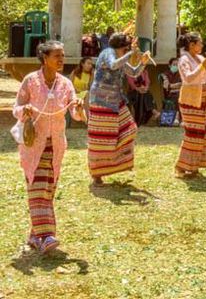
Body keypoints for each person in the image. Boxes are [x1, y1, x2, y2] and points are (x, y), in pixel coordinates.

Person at [12, 41, 85, 253]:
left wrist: (79, 107)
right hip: (34, 146)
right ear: (45, 58)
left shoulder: (66, 84)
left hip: (57, 146)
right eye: (57, 56)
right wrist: (24, 110)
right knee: (37, 190)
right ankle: (46, 236)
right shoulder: (30, 81)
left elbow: (76, 115)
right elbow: (16, 107)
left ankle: (35, 236)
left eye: (62, 55)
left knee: (48, 190)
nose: (62, 60)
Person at [87, 33, 150, 186]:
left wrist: (143, 63)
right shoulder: (107, 53)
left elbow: (133, 73)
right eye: (127, 47)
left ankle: (119, 162)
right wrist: (130, 54)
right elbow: (113, 65)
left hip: (116, 100)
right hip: (101, 100)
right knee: (100, 139)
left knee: (130, 129)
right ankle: (97, 174)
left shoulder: (120, 56)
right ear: (123, 47)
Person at [175, 32, 206, 178]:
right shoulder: (183, 59)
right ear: (192, 45)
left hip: (203, 97)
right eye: (200, 43)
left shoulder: (200, 58)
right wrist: (202, 66)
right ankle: (182, 166)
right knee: (193, 132)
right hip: (190, 99)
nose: (202, 45)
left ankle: (193, 166)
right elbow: (188, 78)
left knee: (202, 132)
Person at [161, 57, 182, 124]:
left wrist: (172, 86)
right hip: (169, 94)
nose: (176, 66)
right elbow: (166, 86)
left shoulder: (181, 74)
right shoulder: (165, 74)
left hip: (180, 92)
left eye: (177, 65)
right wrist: (176, 85)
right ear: (169, 65)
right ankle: (176, 117)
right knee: (177, 96)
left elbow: (183, 84)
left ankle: (184, 119)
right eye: (174, 65)